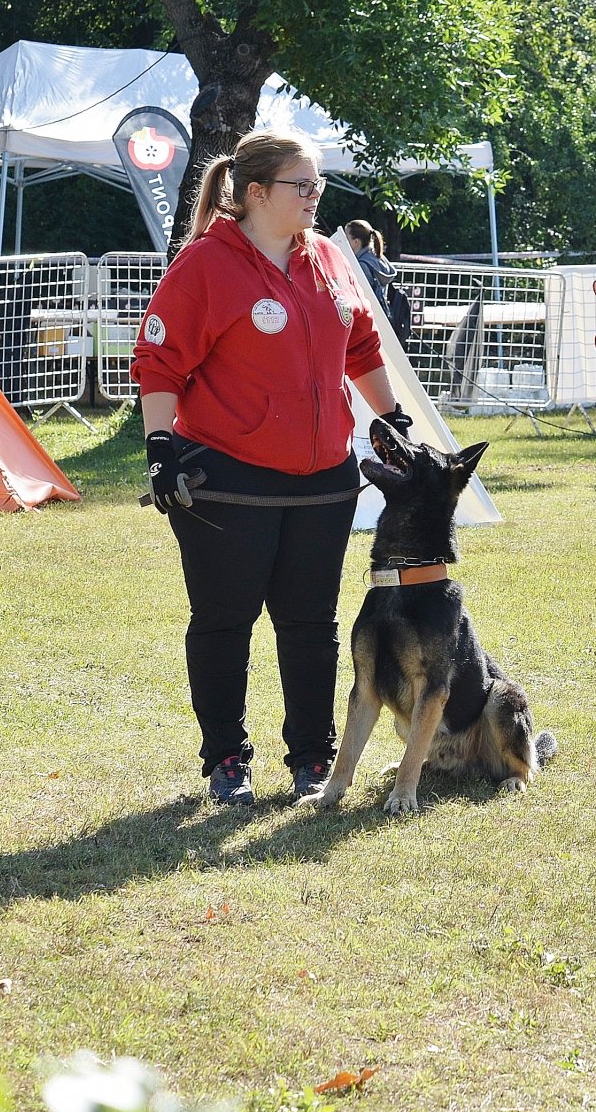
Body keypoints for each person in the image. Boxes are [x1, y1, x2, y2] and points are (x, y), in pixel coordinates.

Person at [131, 129, 409, 805]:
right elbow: (159, 361)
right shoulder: (205, 265)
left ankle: (313, 759)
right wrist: (161, 448)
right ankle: (227, 758)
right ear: (256, 194)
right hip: (229, 479)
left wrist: (390, 416)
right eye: (301, 186)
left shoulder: (326, 259)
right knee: (225, 620)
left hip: (325, 477)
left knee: (311, 624)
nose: (315, 197)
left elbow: (363, 344)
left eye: (318, 185)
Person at [346, 219, 412, 343]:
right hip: (384, 323)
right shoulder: (378, 259)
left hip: (368, 326)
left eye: (346, 238)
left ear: (355, 242)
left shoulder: (362, 266)